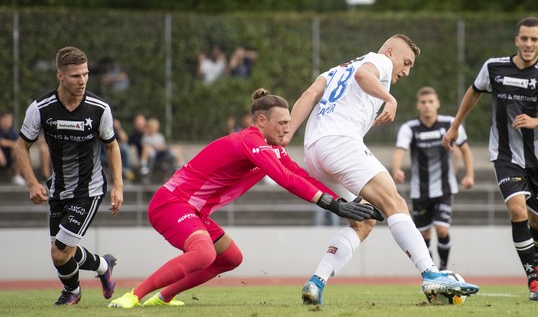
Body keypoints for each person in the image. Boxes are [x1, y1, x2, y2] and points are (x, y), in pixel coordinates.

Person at [108, 88, 381, 308]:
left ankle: (163, 297)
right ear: (262, 121)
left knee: (230, 258)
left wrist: (346, 202)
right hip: (170, 203)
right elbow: (285, 178)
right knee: (204, 253)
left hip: (194, 211)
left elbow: (298, 173)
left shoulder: (271, 147)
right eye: (283, 123)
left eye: (289, 123)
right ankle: (134, 295)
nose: (288, 129)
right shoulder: (250, 142)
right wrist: (333, 205)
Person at [287, 34, 479, 305]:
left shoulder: (336, 69)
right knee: (395, 203)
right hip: (341, 143)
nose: (406, 71)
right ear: (391, 51)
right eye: (407, 62)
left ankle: (316, 281)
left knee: (363, 221)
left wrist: (286, 136)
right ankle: (431, 274)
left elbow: (310, 95)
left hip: (314, 154)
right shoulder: (379, 61)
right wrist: (390, 99)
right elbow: (365, 75)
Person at [442, 16, 538, 301]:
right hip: (504, 155)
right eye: (523, 38)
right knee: (517, 211)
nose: (528, 44)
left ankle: (534, 260)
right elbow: (475, 91)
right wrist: (455, 126)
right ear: (516, 40)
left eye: (534, 39)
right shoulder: (494, 67)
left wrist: (537, 122)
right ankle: (533, 278)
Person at [15, 46, 124, 306]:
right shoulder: (41, 108)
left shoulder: (99, 109)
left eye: (86, 74)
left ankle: (72, 293)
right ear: (60, 76)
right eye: (76, 76)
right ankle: (102, 266)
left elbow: (111, 145)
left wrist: (118, 185)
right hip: (58, 188)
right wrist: (32, 183)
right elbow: (22, 146)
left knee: (60, 249)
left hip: (89, 190)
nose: (83, 80)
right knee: (60, 255)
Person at [391, 86, 474, 271]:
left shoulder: (450, 124)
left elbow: (466, 150)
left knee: (442, 229)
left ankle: (444, 268)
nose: (427, 106)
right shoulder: (409, 128)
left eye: (430, 102)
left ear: (437, 103)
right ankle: (431, 270)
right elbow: (399, 152)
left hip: (445, 188)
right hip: (420, 191)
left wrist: (469, 175)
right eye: (423, 102)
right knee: (424, 235)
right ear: (418, 106)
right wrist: (397, 169)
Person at [0, 111, 26, 185]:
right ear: (1, 119)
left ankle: (17, 176)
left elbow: (18, 144)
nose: (8, 123)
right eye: (6, 120)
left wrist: (6, 143)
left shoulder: (13, 131)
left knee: (19, 150)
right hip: (2, 158)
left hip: (9, 158)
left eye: (10, 121)